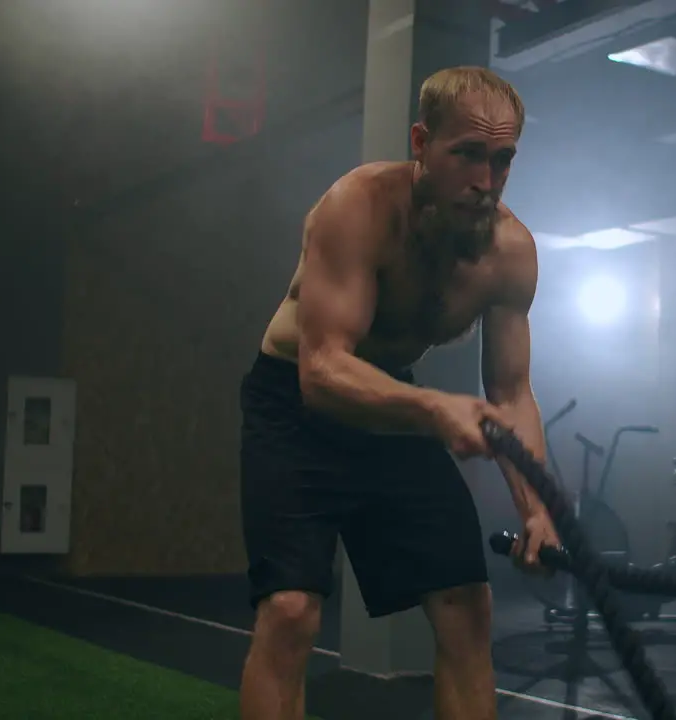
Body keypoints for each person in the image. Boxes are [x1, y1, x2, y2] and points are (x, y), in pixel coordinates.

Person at [237, 65, 560, 720]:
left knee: (467, 607)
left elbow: (511, 392)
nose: (485, 181)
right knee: (292, 611)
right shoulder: (358, 206)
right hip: (294, 408)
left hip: (393, 412)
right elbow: (322, 369)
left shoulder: (511, 253)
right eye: (467, 154)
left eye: (502, 161)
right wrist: (436, 409)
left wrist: (538, 508)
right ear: (421, 142)